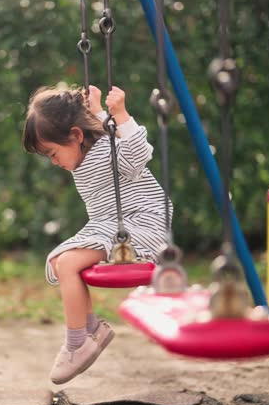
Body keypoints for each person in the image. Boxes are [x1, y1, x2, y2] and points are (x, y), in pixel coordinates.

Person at [21, 84, 172, 384]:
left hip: (142, 225)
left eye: (52, 153)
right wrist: (100, 111)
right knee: (57, 262)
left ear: (76, 136)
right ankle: (90, 329)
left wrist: (121, 113)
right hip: (111, 226)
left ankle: (76, 342)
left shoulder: (111, 149)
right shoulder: (90, 147)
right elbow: (106, 132)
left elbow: (139, 154)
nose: (53, 162)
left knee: (66, 264)